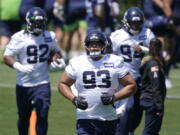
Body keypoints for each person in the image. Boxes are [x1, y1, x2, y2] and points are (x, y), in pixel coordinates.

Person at [58, 30, 136, 135]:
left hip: (109, 117)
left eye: (98, 43)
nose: (94, 47)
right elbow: (62, 84)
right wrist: (74, 99)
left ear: (104, 45)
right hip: (85, 117)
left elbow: (131, 85)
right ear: (86, 46)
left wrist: (114, 97)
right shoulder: (77, 62)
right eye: (91, 44)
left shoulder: (115, 61)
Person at [3, 7, 65, 135]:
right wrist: (19, 66)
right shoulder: (18, 37)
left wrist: (57, 61)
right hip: (23, 84)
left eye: (41, 22)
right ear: (28, 22)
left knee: (42, 113)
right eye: (36, 22)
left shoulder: (50, 36)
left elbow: (56, 52)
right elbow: (7, 57)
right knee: (23, 118)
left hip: (42, 83)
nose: (39, 25)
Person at [110, 7, 155, 135]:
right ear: (126, 22)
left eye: (137, 23)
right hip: (123, 79)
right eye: (132, 23)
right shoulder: (116, 36)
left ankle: (128, 131)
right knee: (126, 109)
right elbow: (107, 56)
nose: (135, 26)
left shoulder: (147, 33)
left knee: (138, 110)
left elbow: (157, 53)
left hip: (141, 78)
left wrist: (144, 50)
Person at [140, 38, 166, 135]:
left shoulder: (147, 60)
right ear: (160, 49)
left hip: (147, 98)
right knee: (150, 131)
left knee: (154, 131)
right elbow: (156, 86)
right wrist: (159, 106)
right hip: (152, 101)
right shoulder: (154, 64)